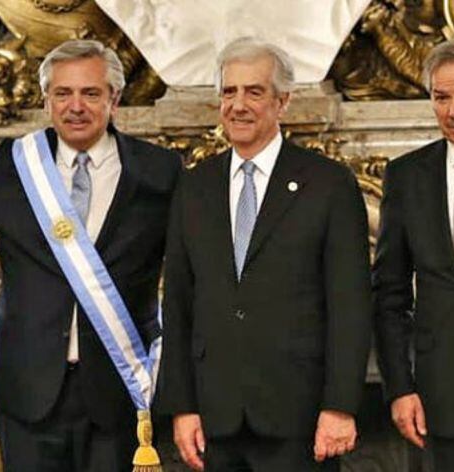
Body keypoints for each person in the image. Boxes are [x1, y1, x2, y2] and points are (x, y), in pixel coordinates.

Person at [0, 39, 181, 471]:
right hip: (28, 391)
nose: (76, 106)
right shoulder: (12, 163)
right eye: (63, 93)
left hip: (119, 393)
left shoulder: (159, 170)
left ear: (114, 98)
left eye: (90, 93)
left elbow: (192, 270)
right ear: (46, 100)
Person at [158, 37, 372, 471]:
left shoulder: (328, 185)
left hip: (299, 416)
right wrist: (182, 407)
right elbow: (178, 302)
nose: (238, 105)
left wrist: (340, 407)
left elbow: (350, 304)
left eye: (254, 92)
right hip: (214, 419)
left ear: (283, 101)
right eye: (229, 92)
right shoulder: (194, 187)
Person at [374, 38, 454, 470]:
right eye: (441, 97)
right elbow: (389, 295)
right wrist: (400, 388)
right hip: (440, 402)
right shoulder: (407, 176)